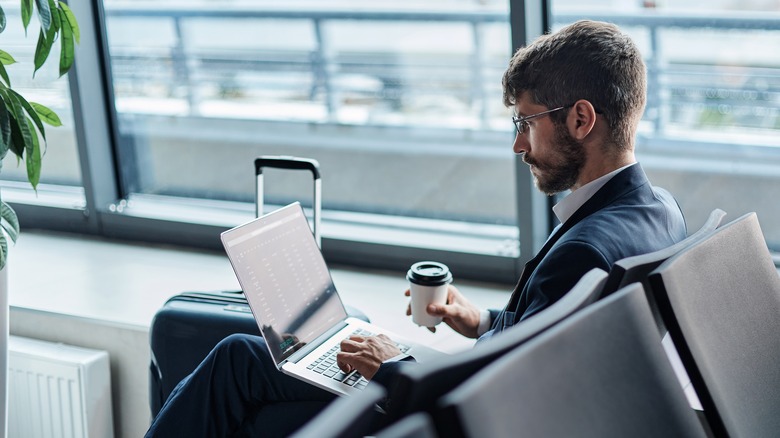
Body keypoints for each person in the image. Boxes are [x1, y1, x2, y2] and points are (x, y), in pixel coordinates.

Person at [145, 19, 686, 437]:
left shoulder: (584, 252)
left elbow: (505, 397)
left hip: (447, 415)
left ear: (581, 120)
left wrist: (396, 364)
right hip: (489, 393)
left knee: (236, 365)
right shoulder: (657, 212)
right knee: (259, 364)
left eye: (526, 122)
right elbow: (543, 339)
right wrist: (481, 320)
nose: (518, 145)